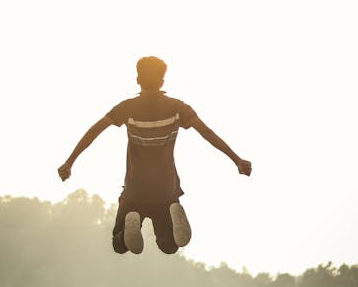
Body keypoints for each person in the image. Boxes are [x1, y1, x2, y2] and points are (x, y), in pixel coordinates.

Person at [57, 56, 252, 255]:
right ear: (162, 81)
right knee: (169, 246)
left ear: (137, 79)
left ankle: (128, 227)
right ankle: (173, 214)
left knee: (120, 245)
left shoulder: (127, 108)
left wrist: (70, 162)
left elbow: (94, 131)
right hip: (166, 191)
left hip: (135, 190)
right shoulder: (178, 108)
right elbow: (208, 133)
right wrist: (237, 160)